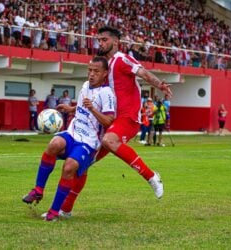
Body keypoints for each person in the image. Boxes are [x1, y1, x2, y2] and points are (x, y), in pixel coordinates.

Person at [59, 26, 172, 217]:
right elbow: (95, 96)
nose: (100, 43)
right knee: (82, 163)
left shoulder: (122, 59)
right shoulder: (102, 67)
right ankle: (65, 210)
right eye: (99, 40)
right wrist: (74, 108)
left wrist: (160, 85)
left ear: (115, 42)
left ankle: (151, 176)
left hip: (127, 117)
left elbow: (143, 73)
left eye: (104, 40)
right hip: (108, 121)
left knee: (109, 141)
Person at [22, 57, 115, 221]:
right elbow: (82, 106)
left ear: (105, 73)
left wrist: (93, 109)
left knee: (69, 167)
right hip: (73, 132)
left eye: (96, 71)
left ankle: (54, 212)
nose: (91, 74)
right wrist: (71, 108)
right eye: (90, 70)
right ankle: (38, 190)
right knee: (54, 144)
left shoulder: (107, 94)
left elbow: (109, 121)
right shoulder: (86, 86)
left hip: (89, 142)